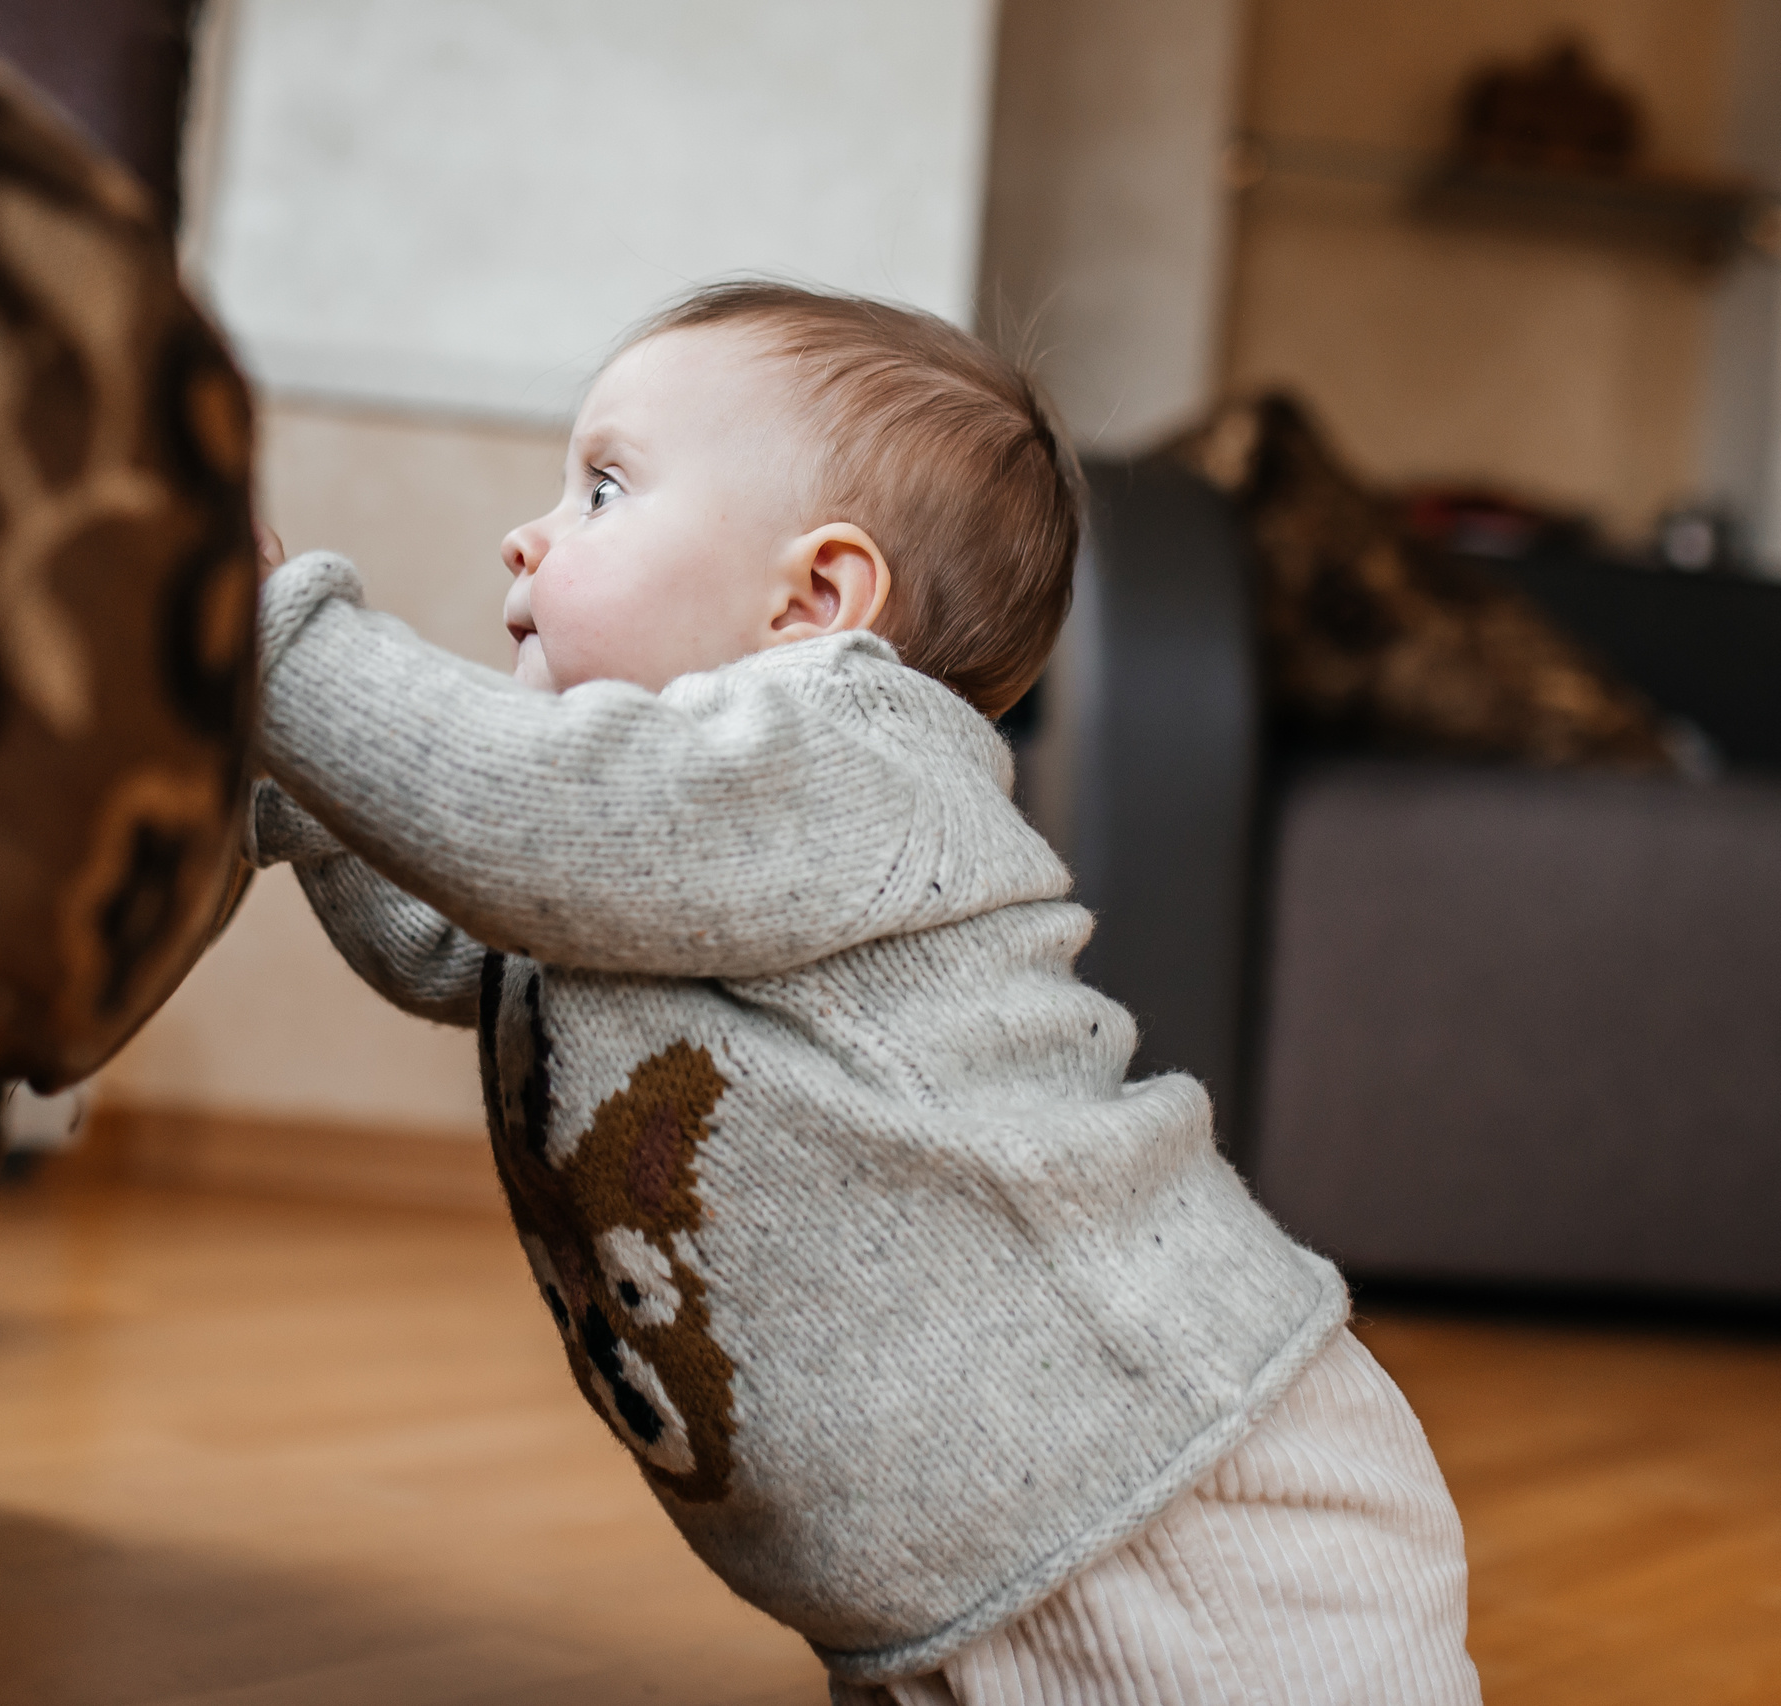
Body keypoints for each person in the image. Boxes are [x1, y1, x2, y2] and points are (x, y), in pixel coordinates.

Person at [243, 282, 1479, 1704]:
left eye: (601, 487)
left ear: (815, 603)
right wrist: (289, 772)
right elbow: (455, 924)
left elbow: (515, 814)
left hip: (1191, 1514)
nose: (527, 534)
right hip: (940, 1587)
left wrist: (277, 643)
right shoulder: (641, 861)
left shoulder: (846, 755)